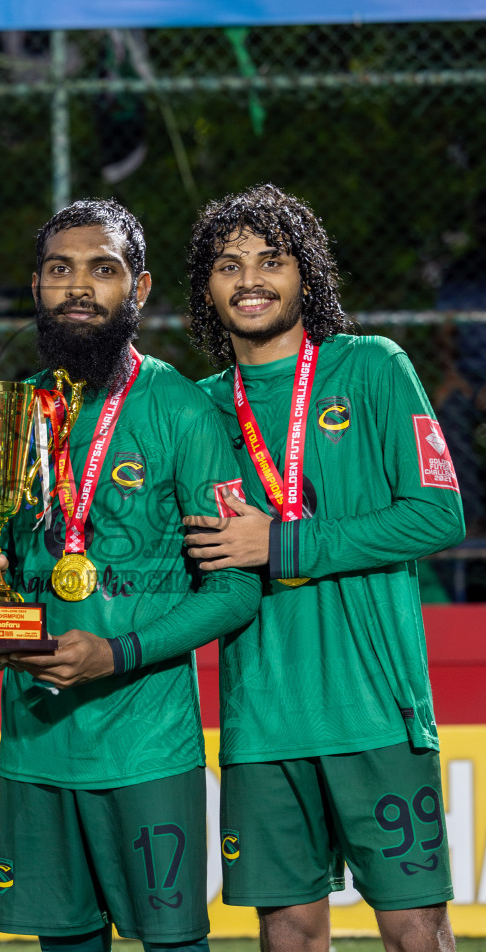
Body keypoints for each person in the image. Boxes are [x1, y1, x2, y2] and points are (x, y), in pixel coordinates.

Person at [0, 199, 261, 952]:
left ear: (140, 288)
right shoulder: (11, 414)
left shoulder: (182, 411)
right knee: (64, 942)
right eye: (60, 270)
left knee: (172, 942)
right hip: (37, 740)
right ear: (36, 287)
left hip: (147, 745)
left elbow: (233, 590)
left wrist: (114, 654)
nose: (79, 286)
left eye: (103, 268)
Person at [183, 183, 465, 952]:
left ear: (304, 275)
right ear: (205, 288)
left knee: (414, 927)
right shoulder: (196, 409)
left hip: (376, 710)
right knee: (290, 932)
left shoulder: (371, 367)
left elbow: (438, 514)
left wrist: (280, 545)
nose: (249, 279)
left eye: (270, 260)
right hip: (260, 723)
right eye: (227, 264)